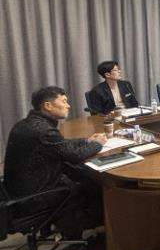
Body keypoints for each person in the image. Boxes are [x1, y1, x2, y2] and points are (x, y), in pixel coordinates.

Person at [3, 87, 107, 238]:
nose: (68, 106)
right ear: (48, 106)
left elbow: (60, 145)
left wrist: (87, 140)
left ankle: (68, 226)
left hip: (17, 193)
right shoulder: (44, 131)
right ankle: (81, 230)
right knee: (93, 184)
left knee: (78, 174)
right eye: (64, 101)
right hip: (35, 197)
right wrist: (98, 144)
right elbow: (76, 155)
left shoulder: (27, 124)